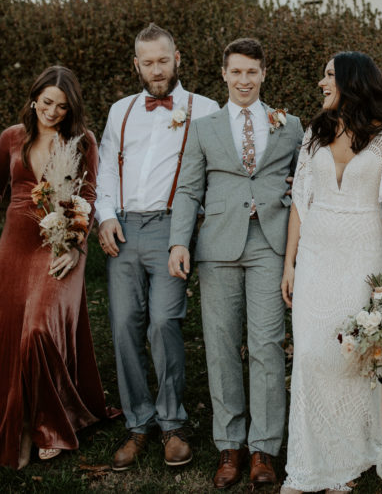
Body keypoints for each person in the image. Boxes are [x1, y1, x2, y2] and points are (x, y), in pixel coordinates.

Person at [279, 52, 382, 493]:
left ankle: (346, 458)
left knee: (352, 355)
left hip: (363, 255)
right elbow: (301, 201)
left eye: (328, 75)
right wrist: (290, 262)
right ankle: (307, 463)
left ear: (352, 82)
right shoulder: (314, 132)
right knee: (310, 355)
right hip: (317, 257)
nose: (321, 83)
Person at [168, 37, 302, 489]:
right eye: (236, 72)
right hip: (218, 246)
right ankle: (229, 445)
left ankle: (265, 448)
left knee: (266, 345)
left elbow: (308, 182)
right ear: (223, 74)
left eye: (252, 72)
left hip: (270, 243)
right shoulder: (204, 127)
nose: (244, 80)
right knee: (221, 344)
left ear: (264, 73)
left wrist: (292, 190)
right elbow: (187, 189)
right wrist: (178, 243)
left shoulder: (291, 125)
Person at [0, 65, 113, 469]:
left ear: (72, 110)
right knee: (10, 332)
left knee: (38, 329)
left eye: (62, 107)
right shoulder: (11, 138)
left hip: (63, 243)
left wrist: (76, 246)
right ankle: (15, 420)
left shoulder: (82, 140)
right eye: (47, 102)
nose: (52, 112)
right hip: (15, 245)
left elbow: (87, 195)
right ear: (34, 97)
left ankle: (50, 421)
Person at [94, 24, 218, 471]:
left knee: (165, 322)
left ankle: (172, 423)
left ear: (177, 58)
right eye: (147, 63)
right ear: (136, 65)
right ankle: (137, 422)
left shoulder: (205, 109)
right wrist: (104, 214)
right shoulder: (120, 111)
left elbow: (213, 174)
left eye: (163, 60)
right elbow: (106, 167)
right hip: (124, 227)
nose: (156, 70)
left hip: (172, 229)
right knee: (125, 324)